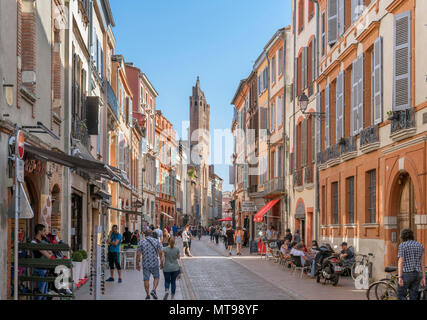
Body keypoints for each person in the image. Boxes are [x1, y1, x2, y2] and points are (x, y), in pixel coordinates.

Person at [397, 229, 425, 300]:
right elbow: (422, 263)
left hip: (406, 274)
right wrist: (423, 277)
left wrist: (400, 277)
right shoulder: (420, 245)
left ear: (402, 237)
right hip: (418, 274)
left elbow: (401, 261)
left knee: (401, 295)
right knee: (414, 297)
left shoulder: (402, 245)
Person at [137, 230, 164, 300]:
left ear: (145, 235)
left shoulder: (141, 242)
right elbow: (161, 253)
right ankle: (154, 290)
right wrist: (161, 262)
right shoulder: (156, 241)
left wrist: (137, 264)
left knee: (146, 279)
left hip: (145, 263)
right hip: (154, 263)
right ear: (151, 234)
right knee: (156, 277)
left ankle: (147, 295)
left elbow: (138, 254)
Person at [31, 224, 56, 300]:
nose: (45, 232)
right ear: (39, 231)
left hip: (45, 268)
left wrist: (49, 252)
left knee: (44, 293)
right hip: (40, 268)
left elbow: (51, 253)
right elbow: (49, 255)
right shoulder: (34, 242)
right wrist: (49, 253)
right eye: (44, 230)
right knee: (41, 293)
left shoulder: (43, 241)